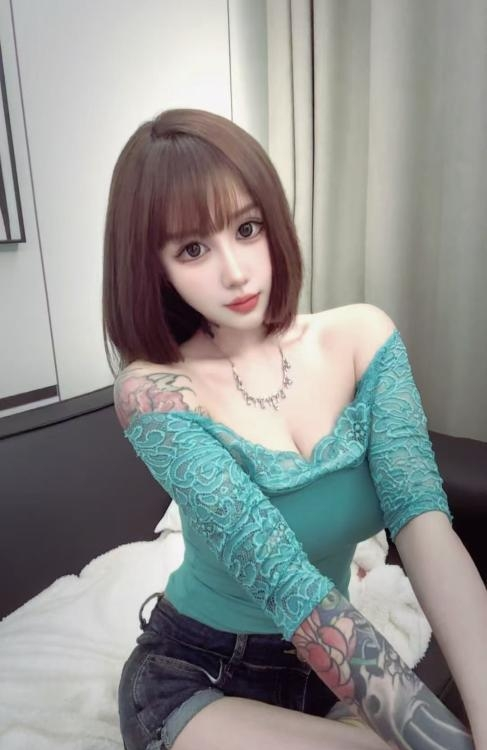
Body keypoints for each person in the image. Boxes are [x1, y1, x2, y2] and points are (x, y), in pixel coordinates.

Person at [102, 108, 486, 750]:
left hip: (322, 673)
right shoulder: (154, 392)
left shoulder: (362, 336)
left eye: (247, 228)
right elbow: (284, 579)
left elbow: (423, 521)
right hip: (198, 675)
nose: (235, 271)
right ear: (154, 266)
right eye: (192, 249)